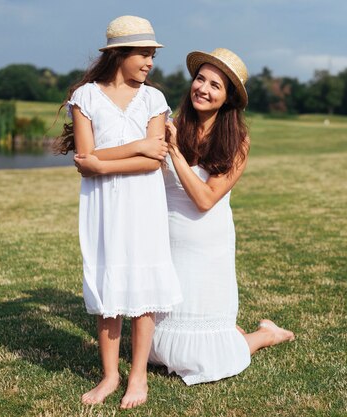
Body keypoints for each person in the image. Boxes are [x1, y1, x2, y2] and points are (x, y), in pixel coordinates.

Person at [75, 48, 295, 386]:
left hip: (208, 251)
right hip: (164, 246)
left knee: (204, 359)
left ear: (228, 99)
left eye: (215, 86)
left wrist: (175, 152)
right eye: (200, 79)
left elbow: (206, 199)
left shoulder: (238, 140)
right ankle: (229, 329)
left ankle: (265, 334)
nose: (203, 89)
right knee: (156, 352)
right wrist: (97, 163)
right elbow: (130, 155)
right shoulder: (167, 125)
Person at [55, 15, 182, 409]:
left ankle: (138, 377)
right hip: (104, 206)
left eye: (151, 55)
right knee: (108, 285)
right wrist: (135, 146)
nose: (149, 61)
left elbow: (153, 159)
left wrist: (102, 164)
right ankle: (110, 375)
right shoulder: (86, 97)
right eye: (143, 53)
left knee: (143, 289)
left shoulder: (154, 99)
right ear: (119, 55)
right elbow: (84, 153)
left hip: (143, 204)